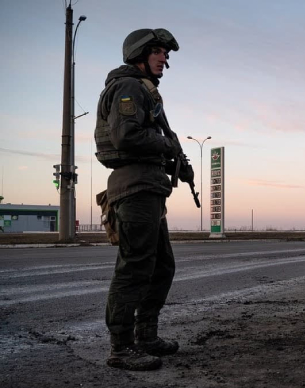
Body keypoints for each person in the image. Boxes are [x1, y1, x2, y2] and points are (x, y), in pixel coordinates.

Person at [94, 28, 194, 371]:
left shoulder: (144, 91)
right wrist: (169, 147)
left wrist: (175, 164)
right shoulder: (129, 87)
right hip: (134, 187)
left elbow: (143, 138)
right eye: (159, 52)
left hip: (148, 187)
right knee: (135, 267)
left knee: (162, 266)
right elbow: (127, 136)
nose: (165, 59)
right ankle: (121, 347)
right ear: (140, 54)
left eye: (165, 53)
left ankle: (145, 335)